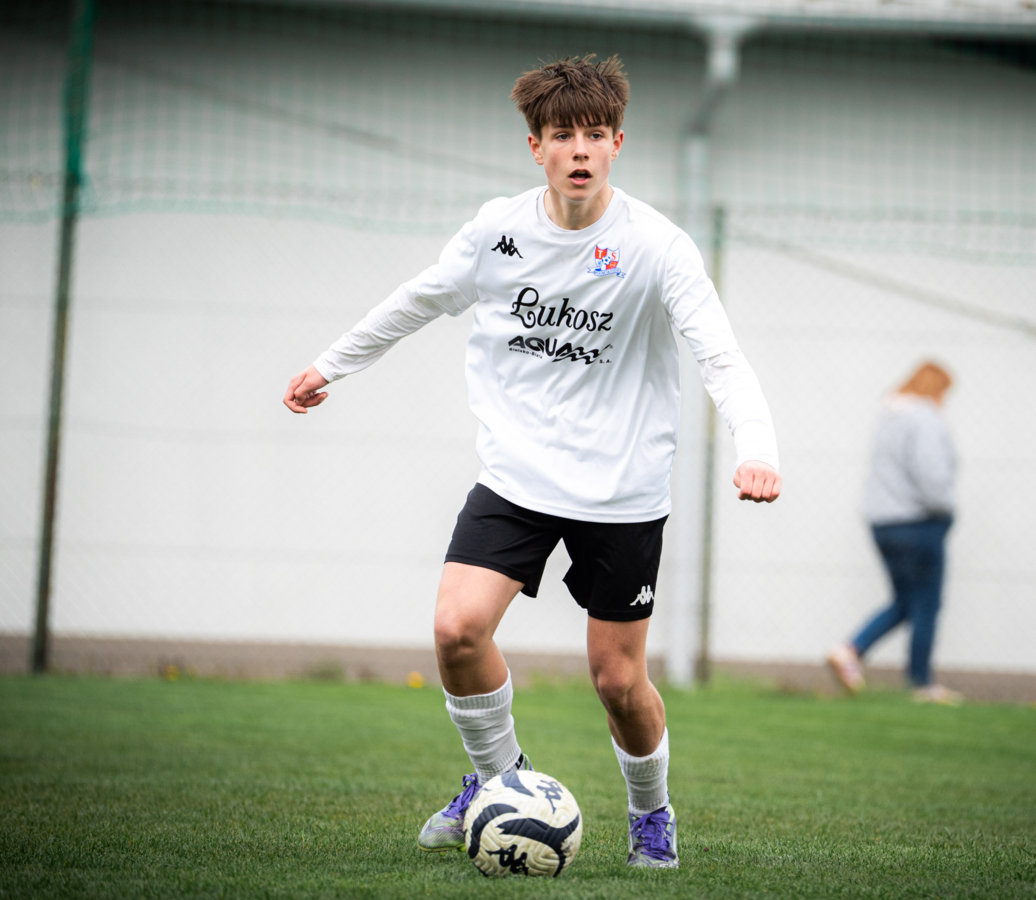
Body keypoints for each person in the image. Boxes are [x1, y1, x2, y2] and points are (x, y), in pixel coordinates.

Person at [283, 55, 781, 869]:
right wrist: (331, 365)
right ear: (535, 147)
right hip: (517, 477)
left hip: (622, 489)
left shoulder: (657, 246)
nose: (579, 150)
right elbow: (419, 298)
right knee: (457, 629)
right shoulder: (498, 231)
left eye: (595, 134)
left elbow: (719, 356)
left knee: (618, 682)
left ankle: (651, 816)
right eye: (562, 135)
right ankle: (499, 783)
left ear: (617, 144)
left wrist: (756, 449)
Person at [827, 362, 962, 706]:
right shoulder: (925, 419)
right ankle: (921, 683)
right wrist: (947, 508)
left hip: (883, 524)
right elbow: (932, 478)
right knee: (926, 604)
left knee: (906, 601)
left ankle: (850, 650)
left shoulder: (889, 418)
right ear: (936, 389)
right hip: (918, 523)